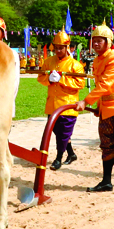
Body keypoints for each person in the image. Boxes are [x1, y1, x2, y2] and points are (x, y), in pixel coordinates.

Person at [76, 21, 114, 192]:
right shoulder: (97, 60)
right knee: (107, 145)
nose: (95, 43)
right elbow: (101, 87)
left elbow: (104, 85)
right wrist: (99, 106)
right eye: (94, 40)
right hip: (106, 108)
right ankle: (106, 181)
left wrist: (85, 101)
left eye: (99, 40)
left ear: (108, 42)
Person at [37, 29, 85, 170]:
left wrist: (62, 79)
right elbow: (40, 77)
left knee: (63, 134)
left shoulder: (75, 65)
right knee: (58, 132)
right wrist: (49, 80)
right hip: (52, 104)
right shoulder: (48, 62)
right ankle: (71, 154)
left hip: (67, 106)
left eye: (61, 48)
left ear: (67, 48)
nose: (58, 50)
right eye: (56, 48)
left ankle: (58, 158)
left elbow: (80, 83)